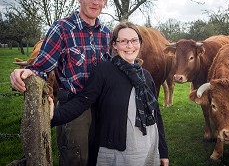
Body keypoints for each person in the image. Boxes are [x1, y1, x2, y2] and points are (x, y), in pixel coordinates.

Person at [10, 0, 111, 166]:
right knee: (76, 158)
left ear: (105, 3)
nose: (95, 2)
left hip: (103, 106)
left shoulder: (107, 33)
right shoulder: (62, 28)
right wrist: (22, 73)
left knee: (101, 156)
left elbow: (113, 71)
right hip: (74, 107)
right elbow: (41, 67)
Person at [49, 21, 169, 166]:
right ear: (114, 45)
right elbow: (83, 101)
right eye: (123, 41)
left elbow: (156, 115)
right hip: (117, 151)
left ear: (140, 43)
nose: (130, 46)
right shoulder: (104, 71)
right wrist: (54, 116)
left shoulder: (146, 75)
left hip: (148, 144)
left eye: (133, 40)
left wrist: (163, 152)